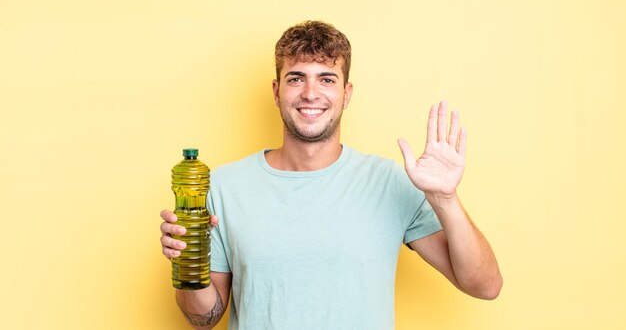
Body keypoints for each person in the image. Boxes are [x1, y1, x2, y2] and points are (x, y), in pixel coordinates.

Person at [160, 20, 502, 329]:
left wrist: (445, 199)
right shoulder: (224, 186)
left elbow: (485, 286)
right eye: (296, 78)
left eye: (326, 79)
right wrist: (186, 263)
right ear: (277, 91)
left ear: (346, 94)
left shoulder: (389, 182)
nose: (311, 93)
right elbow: (203, 317)